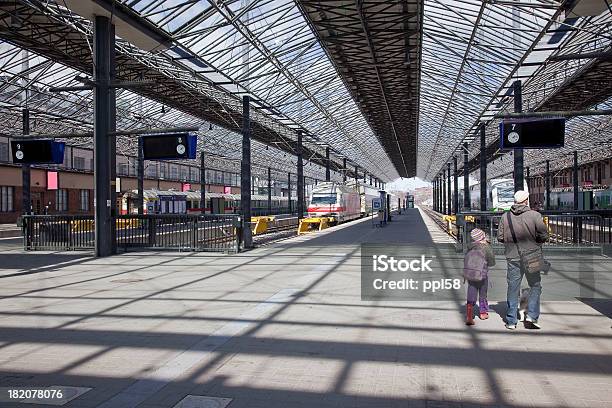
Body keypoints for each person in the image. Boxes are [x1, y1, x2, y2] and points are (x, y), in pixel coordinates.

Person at [497, 190, 549, 330]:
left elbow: (500, 237)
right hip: (532, 255)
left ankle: (511, 321)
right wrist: (535, 242)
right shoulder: (535, 215)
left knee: (513, 287)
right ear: (526, 200)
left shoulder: (505, 216)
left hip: (512, 256)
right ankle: (532, 315)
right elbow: (544, 235)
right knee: (535, 285)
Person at [464, 228, 495, 325]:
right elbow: (492, 262)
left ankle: (469, 315)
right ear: (482, 237)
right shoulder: (486, 247)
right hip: (482, 274)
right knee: (483, 293)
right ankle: (483, 313)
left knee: (471, 292)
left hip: (471, 274)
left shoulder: (470, 247)